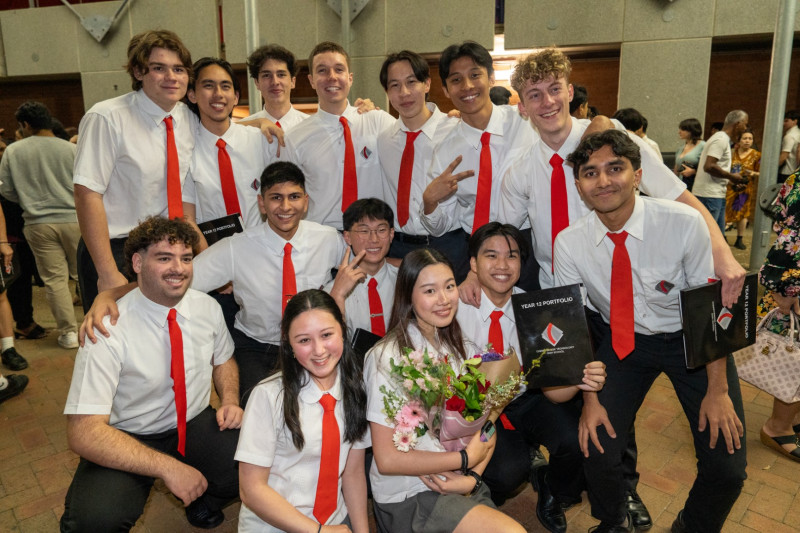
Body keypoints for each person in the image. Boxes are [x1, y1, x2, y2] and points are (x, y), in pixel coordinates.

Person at [555, 130, 746, 533]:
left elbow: (709, 310)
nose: (603, 181)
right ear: (579, 186)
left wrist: (718, 391)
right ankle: (613, 521)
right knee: (597, 444)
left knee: (727, 466)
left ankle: (691, 526)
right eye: (590, 173)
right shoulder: (570, 243)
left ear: (638, 175)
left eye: (615, 168)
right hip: (625, 342)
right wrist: (590, 400)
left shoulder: (683, 222)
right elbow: (576, 328)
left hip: (692, 342)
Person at [81, 162, 347, 406]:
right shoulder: (236, 247)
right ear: (262, 204)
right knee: (258, 410)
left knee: (332, 401)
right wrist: (110, 295)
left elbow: (364, 265)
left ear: (306, 202)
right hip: (258, 346)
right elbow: (176, 279)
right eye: (276, 197)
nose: (285, 206)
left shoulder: (328, 239)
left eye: (294, 197)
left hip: (314, 344)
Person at [499, 48, 745, 305]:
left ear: (569, 92)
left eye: (555, 89)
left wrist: (723, 255)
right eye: (535, 95)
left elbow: (678, 196)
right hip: (559, 294)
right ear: (522, 108)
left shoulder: (612, 140)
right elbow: (504, 234)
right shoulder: (520, 171)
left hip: (624, 291)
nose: (548, 101)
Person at [60, 216, 242, 531]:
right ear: (137, 263)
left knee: (251, 467)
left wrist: (229, 399)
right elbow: (83, 432)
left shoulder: (207, 307)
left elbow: (224, 360)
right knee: (94, 522)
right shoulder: (107, 327)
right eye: (164, 258)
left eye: (186, 258)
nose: (179, 268)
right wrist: (168, 468)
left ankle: (202, 501)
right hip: (127, 433)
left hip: (192, 422)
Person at [364, 248, 526, 533]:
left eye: (450, 287)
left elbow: (486, 424)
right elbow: (387, 459)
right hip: (412, 490)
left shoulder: (459, 345)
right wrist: (465, 459)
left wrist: (473, 478)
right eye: (430, 291)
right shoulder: (386, 357)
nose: (444, 299)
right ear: (408, 297)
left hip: (459, 480)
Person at [458, 222, 606, 533]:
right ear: (473, 263)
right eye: (491, 255)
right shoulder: (454, 308)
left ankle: (552, 486)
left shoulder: (537, 309)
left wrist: (576, 378)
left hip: (527, 396)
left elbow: (554, 393)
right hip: (478, 406)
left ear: (522, 264)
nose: (502, 265)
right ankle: (502, 482)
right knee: (507, 472)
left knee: (574, 440)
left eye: (511, 256)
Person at [73, 30, 195, 313]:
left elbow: (223, 129)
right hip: (116, 249)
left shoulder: (187, 117)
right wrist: (107, 271)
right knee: (115, 334)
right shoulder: (107, 117)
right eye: (159, 68)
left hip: (168, 248)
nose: (172, 77)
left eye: (179, 69)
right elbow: (86, 194)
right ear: (139, 72)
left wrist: (260, 123)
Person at [237, 289, 370, 532]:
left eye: (326, 335)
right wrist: (318, 531)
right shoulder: (269, 396)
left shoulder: (355, 388)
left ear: (342, 330)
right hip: (276, 524)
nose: (319, 350)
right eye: (304, 340)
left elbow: (352, 473)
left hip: (334, 520)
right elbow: (251, 489)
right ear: (289, 344)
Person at [421, 41, 537, 284]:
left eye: (475, 75)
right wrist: (430, 202)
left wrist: (603, 122)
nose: (467, 86)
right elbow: (440, 226)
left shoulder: (525, 123)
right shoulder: (444, 151)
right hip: (473, 250)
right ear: (445, 90)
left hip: (526, 245)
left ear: (491, 77)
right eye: (456, 80)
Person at [284, 41, 395, 230]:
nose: (332, 77)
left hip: (373, 235)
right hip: (322, 236)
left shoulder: (378, 122)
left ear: (350, 78)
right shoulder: (295, 138)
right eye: (322, 70)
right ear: (311, 80)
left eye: (339, 69)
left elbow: (412, 139)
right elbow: (289, 196)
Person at [0, 101, 81, 349]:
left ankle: (69, 333)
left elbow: (6, 190)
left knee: (55, 280)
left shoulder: (14, 151)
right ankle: (99, 325)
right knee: (86, 274)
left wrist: (27, 199)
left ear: (25, 124)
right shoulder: (71, 149)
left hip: (38, 223)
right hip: (75, 219)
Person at [376, 50, 463, 264]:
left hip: (448, 245)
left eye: (411, 82)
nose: (404, 93)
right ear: (387, 92)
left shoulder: (456, 131)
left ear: (427, 84)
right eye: (394, 85)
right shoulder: (384, 139)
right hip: (398, 247)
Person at [183, 57, 278, 247]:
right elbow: (187, 218)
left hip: (264, 249)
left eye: (225, 86)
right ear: (192, 95)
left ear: (235, 97)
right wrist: (208, 258)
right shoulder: (185, 150)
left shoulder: (260, 141)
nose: (218, 94)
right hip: (213, 251)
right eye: (208, 86)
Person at [757, 172, 800, 462]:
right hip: (794, 283)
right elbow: (790, 234)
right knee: (794, 358)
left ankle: (793, 420)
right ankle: (778, 427)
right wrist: (782, 287)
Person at [326, 198, 397, 336]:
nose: (374, 239)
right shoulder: (333, 292)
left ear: (391, 234)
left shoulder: (405, 282)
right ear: (347, 237)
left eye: (381, 230)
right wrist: (337, 296)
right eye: (364, 231)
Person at [692, 109, 749, 235]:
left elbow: (715, 169)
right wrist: (732, 177)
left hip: (715, 194)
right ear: (738, 124)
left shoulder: (721, 139)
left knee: (718, 236)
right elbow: (709, 166)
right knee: (710, 236)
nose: (745, 128)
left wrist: (731, 182)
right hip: (709, 196)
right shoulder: (720, 140)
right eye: (745, 124)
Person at [242, 44, 310, 132]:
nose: (275, 82)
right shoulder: (244, 129)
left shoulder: (311, 127)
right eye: (266, 75)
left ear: (293, 82)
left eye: (281, 75)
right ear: (257, 83)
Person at [725, 128, 761, 250]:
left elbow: (762, 172)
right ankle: (722, 236)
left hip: (745, 190)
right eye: (745, 138)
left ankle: (739, 239)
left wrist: (753, 173)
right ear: (739, 140)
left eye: (750, 139)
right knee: (725, 211)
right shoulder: (731, 153)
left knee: (743, 213)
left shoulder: (757, 155)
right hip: (729, 187)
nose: (747, 141)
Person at [674, 118, 705, 191]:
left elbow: (708, 168)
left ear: (691, 130)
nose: (679, 132)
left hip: (695, 186)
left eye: (683, 129)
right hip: (681, 186)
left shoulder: (703, 146)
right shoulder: (680, 148)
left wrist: (694, 172)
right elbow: (676, 168)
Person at [779, 110, 800, 183]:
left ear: (795, 121)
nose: (783, 124)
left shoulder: (790, 136)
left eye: (786, 121)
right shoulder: (798, 133)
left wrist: (773, 168)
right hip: (795, 171)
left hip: (786, 172)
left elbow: (784, 156)